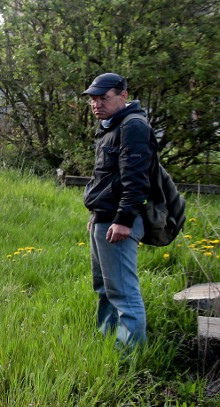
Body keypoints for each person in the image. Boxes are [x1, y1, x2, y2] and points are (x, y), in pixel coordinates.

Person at [82, 72, 153, 347]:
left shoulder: (133, 125)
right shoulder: (110, 126)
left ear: (123, 95)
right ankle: (107, 340)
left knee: (122, 291)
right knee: (103, 287)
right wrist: (97, 216)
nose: (97, 104)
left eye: (103, 98)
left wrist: (123, 219)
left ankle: (129, 355)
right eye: (93, 100)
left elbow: (136, 179)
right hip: (103, 219)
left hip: (119, 223)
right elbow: (105, 177)